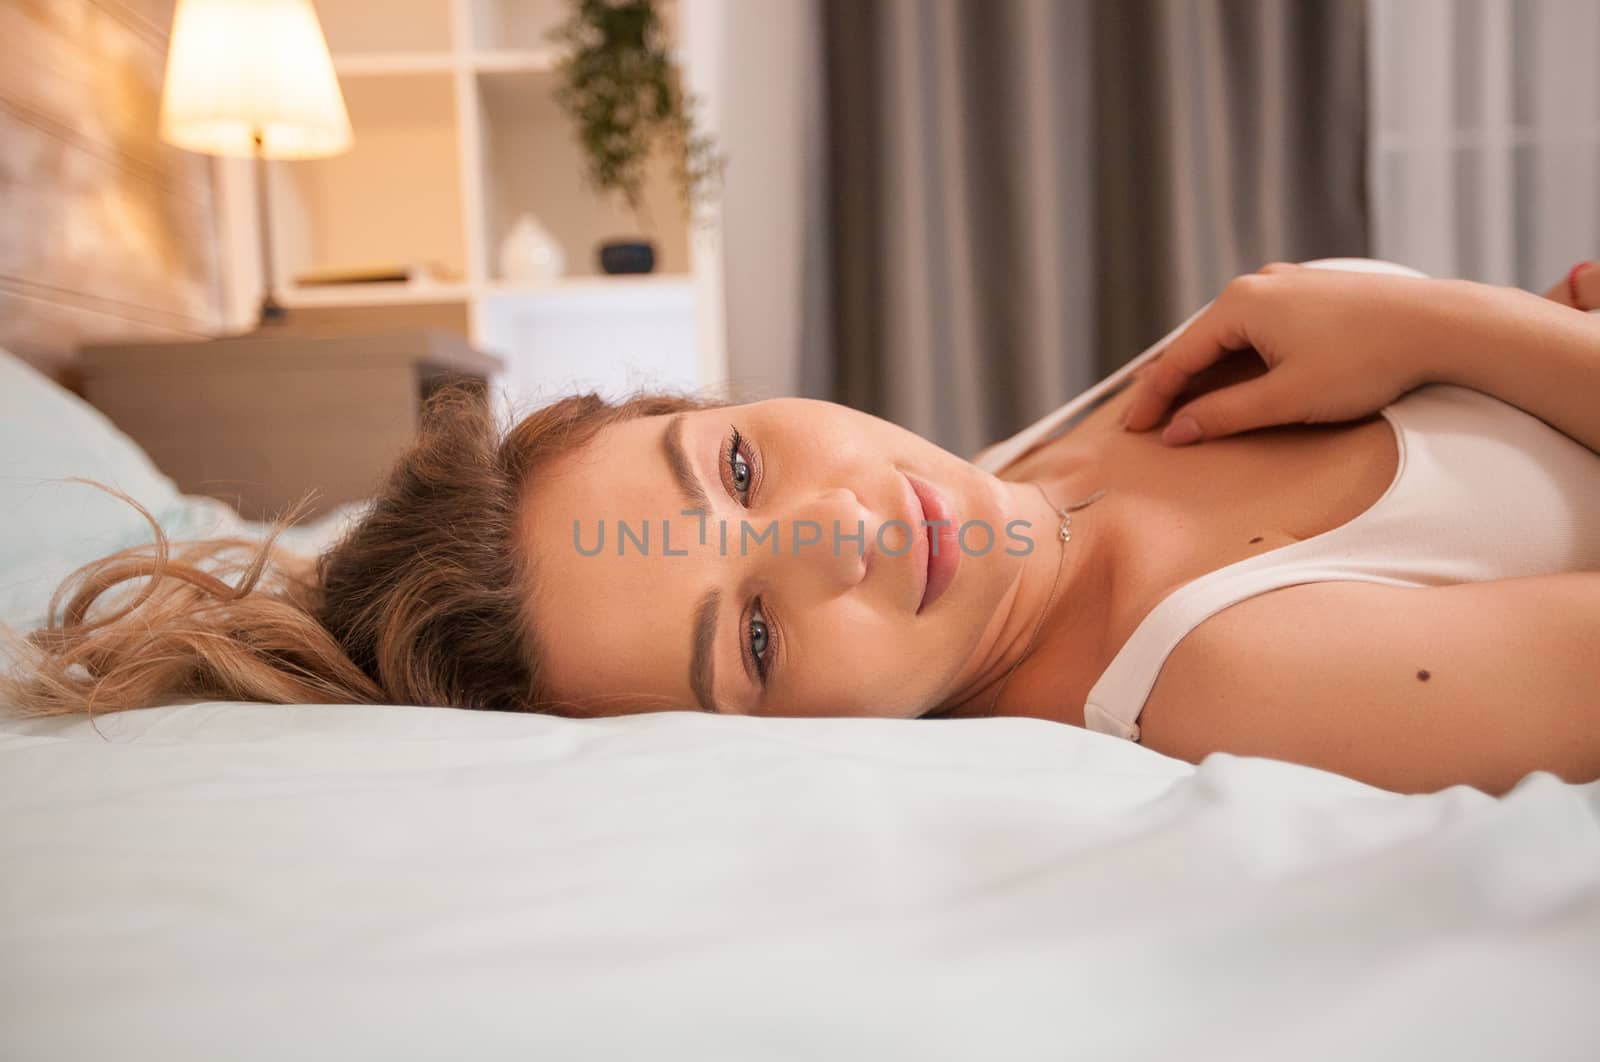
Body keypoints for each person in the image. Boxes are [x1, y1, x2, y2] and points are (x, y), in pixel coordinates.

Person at [5, 260, 1597, 796]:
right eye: (755, 639)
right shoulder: (1231, 672)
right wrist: (1470, 331)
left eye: (743, 473)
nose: (844, 531)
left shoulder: (1012, 474)